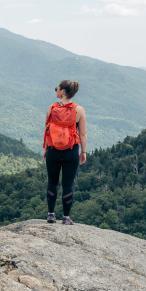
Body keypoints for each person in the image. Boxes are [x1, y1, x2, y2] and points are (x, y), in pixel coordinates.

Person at [42, 80, 87, 225]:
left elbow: (47, 129)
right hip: (71, 151)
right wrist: (83, 152)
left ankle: (50, 214)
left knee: (52, 182)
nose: (56, 90)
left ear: (62, 92)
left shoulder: (51, 108)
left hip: (52, 150)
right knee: (68, 184)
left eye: (57, 88)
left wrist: (45, 149)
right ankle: (66, 217)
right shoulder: (78, 110)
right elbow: (83, 134)